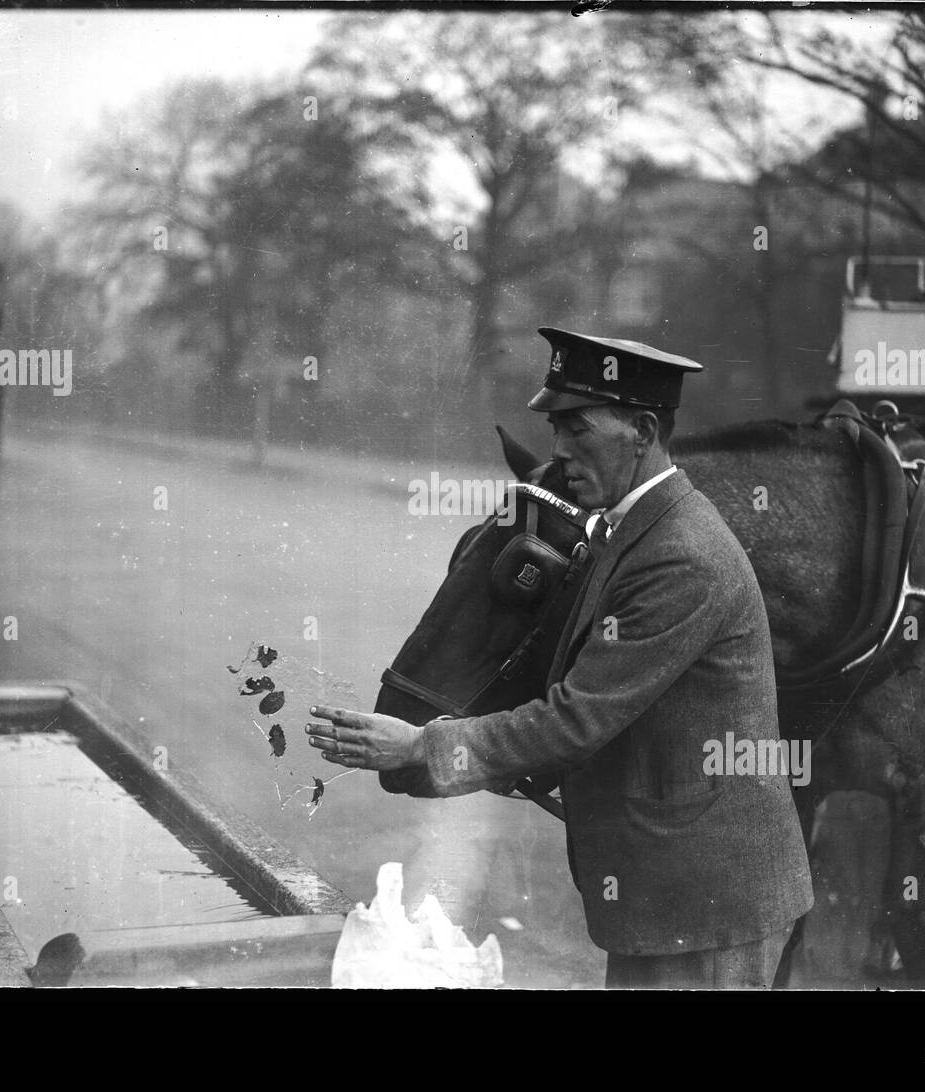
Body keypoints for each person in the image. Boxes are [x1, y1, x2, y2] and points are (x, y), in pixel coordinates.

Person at [308, 327, 813, 989]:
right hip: (673, 890)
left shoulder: (681, 556)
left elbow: (574, 718)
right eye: (555, 431)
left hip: (707, 901)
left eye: (578, 430)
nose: (561, 452)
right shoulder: (633, 529)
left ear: (641, 429)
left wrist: (420, 747)